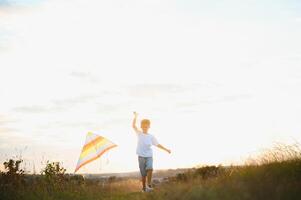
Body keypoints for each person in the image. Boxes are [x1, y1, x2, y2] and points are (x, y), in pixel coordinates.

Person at [132, 112, 171, 192]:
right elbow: (133, 126)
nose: (145, 127)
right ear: (141, 127)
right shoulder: (139, 133)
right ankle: (144, 189)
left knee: (150, 169)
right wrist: (135, 117)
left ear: (149, 126)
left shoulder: (151, 136)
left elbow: (157, 144)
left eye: (146, 126)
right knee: (143, 175)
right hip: (141, 156)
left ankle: (148, 185)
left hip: (149, 155)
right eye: (143, 126)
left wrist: (166, 149)